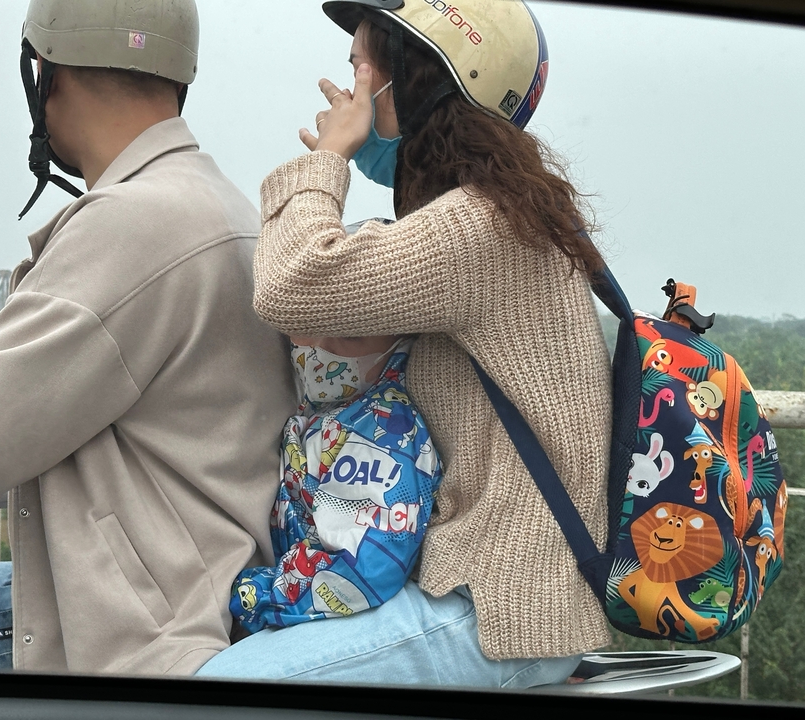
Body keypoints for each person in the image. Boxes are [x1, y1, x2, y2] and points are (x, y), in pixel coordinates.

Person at [0, 0, 294, 675]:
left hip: (137, 627)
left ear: (45, 72)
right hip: (198, 571)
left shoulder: (138, 227)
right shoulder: (218, 205)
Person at [197, 0, 611, 688]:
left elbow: (291, 286)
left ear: (424, 76)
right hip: (490, 590)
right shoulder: (500, 213)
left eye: (363, 67)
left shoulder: (480, 227)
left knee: (218, 691)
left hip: (501, 611)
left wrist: (330, 155)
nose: (349, 88)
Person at [229, 333, 441, 632]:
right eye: (305, 326)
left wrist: (254, 596)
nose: (319, 350)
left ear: (400, 340)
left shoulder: (386, 431)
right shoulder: (331, 405)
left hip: (299, 613)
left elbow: (363, 568)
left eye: (349, 338)